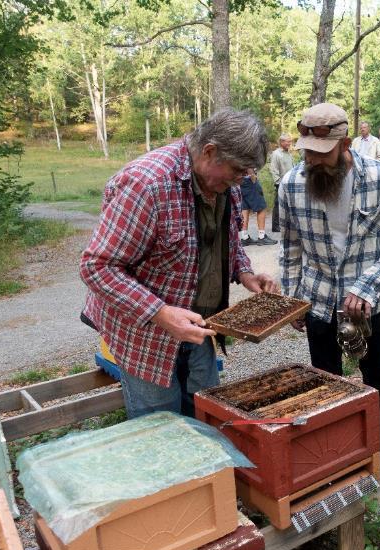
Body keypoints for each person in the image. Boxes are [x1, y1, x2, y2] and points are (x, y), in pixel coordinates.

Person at [79, 108, 278, 420]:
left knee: (208, 414)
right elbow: (96, 266)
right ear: (210, 152)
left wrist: (245, 272)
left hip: (200, 326)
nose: (241, 180)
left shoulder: (225, 184)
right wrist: (160, 313)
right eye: (238, 171)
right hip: (145, 335)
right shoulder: (146, 184)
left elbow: (226, 237)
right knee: (161, 430)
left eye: (246, 174)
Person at [279, 103, 380, 472]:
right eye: (307, 152)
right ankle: (335, 452)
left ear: (347, 144)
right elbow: (290, 248)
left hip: (372, 305)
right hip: (319, 302)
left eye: (322, 154)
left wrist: (366, 284)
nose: (313, 161)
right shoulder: (291, 185)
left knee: (375, 376)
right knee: (325, 379)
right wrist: (293, 297)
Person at [239, 169, 277, 246]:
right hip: (249, 180)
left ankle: (244, 237)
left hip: (239, 180)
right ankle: (262, 237)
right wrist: (253, 177)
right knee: (261, 207)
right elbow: (249, 163)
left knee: (244, 208)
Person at [268, 133, 295, 234]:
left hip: (290, 183)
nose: (289, 143)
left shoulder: (289, 153)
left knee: (288, 205)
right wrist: (278, 183)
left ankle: (287, 224)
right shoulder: (276, 154)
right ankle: (275, 226)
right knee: (278, 204)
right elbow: (273, 170)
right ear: (281, 142)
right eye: (288, 141)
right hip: (281, 184)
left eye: (290, 141)